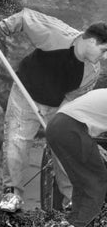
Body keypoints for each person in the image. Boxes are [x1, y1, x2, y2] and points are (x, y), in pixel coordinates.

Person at [0, 8, 107, 212]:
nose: (104, 57)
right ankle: (12, 194)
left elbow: (72, 101)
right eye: (104, 50)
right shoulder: (56, 34)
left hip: (58, 105)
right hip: (26, 93)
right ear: (92, 41)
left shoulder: (91, 72)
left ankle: (72, 201)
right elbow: (25, 17)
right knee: (17, 142)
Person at [46, 88, 107, 227]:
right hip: (70, 128)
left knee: (82, 183)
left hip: (56, 126)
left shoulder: (102, 92)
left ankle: (73, 221)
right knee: (96, 180)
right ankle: (81, 223)